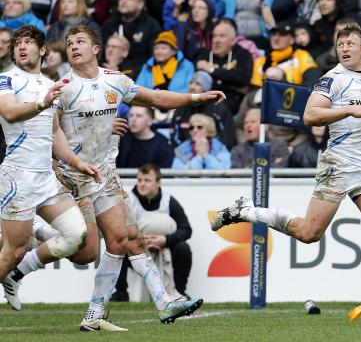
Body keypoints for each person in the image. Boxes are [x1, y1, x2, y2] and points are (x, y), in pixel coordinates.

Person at [212, 23, 361, 322]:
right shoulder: (331, 79)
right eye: (340, 44)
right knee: (309, 234)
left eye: (351, 43)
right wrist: (347, 110)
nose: (344, 48)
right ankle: (246, 210)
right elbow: (310, 115)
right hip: (337, 164)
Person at [55, 25, 225, 331]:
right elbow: (50, 133)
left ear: (97, 48)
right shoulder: (62, 88)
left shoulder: (116, 81)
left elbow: (157, 98)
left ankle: (155, 304)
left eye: (80, 41)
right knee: (85, 252)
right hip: (72, 178)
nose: (73, 46)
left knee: (125, 239)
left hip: (104, 175)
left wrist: (196, 97)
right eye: (69, 43)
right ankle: (29, 256)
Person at [0, 25, 100, 311]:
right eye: (17, 44)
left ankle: (16, 275)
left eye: (28, 43)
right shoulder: (5, 80)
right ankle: (12, 268)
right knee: (13, 250)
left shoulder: (50, 84)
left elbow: (54, 133)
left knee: (76, 235)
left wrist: (78, 162)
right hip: (17, 176)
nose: (21, 48)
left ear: (42, 50)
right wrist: (43, 102)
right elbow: (8, 111)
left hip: (45, 177)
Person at [113, 164, 194, 300]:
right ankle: (121, 292)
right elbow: (116, 230)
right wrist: (138, 240)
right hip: (136, 247)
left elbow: (186, 230)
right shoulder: (128, 200)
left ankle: (179, 292)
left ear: (158, 182)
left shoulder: (168, 201)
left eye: (147, 180)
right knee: (117, 247)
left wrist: (165, 240)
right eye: (139, 180)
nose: (142, 184)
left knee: (183, 249)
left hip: (163, 248)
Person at [194, 18, 253, 114]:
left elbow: (242, 78)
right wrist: (230, 83)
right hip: (206, 102)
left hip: (232, 106)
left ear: (233, 41)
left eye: (222, 36)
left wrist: (211, 70)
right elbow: (199, 79)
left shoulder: (242, 54)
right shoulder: (204, 54)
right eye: (215, 36)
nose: (217, 40)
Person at [172, 71, 236, 149]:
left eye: (198, 84)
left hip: (215, 154)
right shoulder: (180, 110)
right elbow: (175, 140)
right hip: (186, 156)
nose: (192, 86)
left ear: (206, 89)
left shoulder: (218, 109)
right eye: (191, 82)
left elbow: (227, 139)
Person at [101, 0, 162, 76]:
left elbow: (154, 58)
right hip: (106, 72)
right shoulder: (109, 25)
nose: (124, 1)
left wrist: (124, 72)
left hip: (140, 76)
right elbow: (99, 53)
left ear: (140, 4)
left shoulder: (152, 26)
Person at [251, 22, 320, 89]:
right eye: (274, 34)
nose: (276, 38)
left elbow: (312, 81)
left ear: (292, 40)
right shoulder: (260, 61)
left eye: (282, 35)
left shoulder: (301, 55)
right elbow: (254, 90)